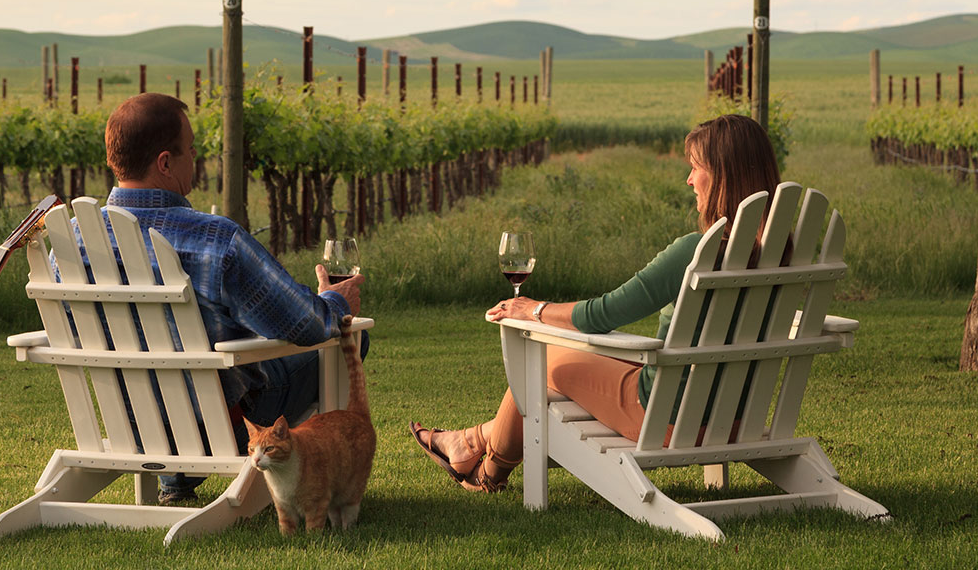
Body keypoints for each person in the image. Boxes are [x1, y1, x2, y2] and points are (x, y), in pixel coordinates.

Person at [410, 113, 779, 493]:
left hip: (669, 418)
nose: (688, 179)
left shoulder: (696, 251)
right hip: (737, 418)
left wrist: (534, 311)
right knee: (562, 365)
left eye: (696, 167)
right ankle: (470, 444)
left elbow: (606, 313)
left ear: (724, 175)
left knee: (542, 359)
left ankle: (486, 470)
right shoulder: (779, 253)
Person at [83, 92, 366, 505]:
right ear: (165, 163)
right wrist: (334, 302)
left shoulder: (69, 244)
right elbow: (306, 323)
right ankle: (325, 492)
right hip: (216, 424)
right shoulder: (214, 240)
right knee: (347, 341)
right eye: (192, 151)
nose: (196, 159)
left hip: (131, 422)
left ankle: (175, 482)